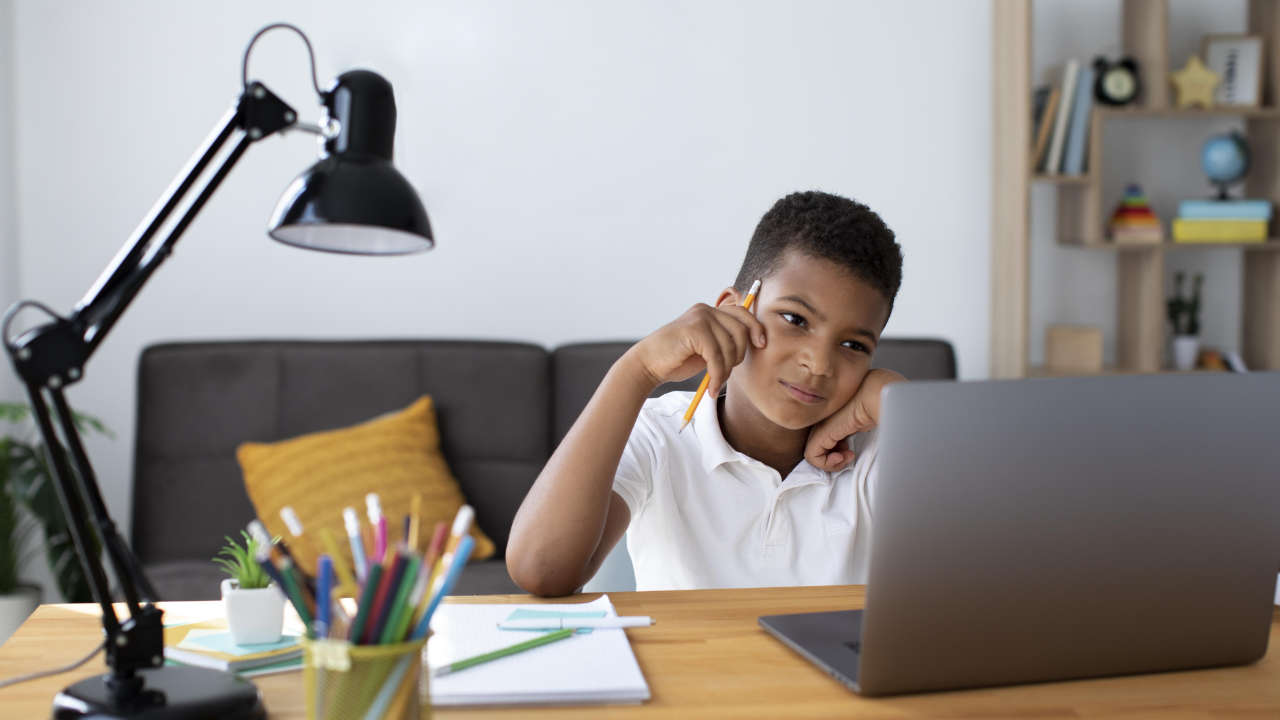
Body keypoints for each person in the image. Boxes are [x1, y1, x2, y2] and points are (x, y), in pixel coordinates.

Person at [507, 190, 906, 596]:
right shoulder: (662, 434)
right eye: (794, 319)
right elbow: (541, 569)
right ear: (734, 309)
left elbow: (969, 576)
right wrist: (636, 370)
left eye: (853, 346)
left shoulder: (877, 451)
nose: (819, 364)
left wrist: (902, 409)